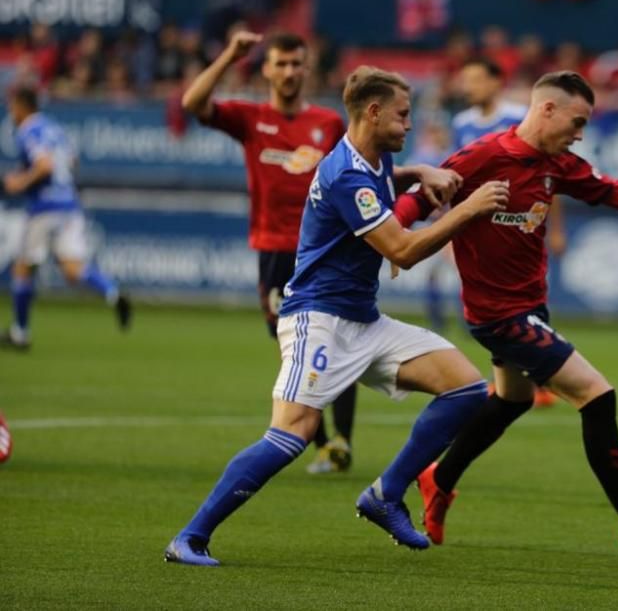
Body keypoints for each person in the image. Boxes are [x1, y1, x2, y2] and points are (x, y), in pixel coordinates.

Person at [164, 66, 510, 566]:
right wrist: (469, 209)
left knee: (466, 388)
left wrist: (419, 172)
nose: (409, 125)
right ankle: (190, 538)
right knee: (291, 435)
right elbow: (403, 251)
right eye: (402, 115)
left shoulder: (371, 159)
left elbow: (386, 183)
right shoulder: (348, 174)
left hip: (363, 321)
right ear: (373, 112)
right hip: (317, 319)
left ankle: (386, 494)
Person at [394, 71, 618, 562]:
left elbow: (612, 191)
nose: (581, 133)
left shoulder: (558, 164)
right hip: (497, 315)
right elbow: (416, 202)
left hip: (529, 307)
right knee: (596, 394)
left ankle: (438, 478)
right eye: (577, 121)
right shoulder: (481, 157)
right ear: (547, 109)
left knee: (512, 400)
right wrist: (392, 239)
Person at [181, 30, 354, 474]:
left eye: (297, 64)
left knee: (340, 337)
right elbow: (192, 104)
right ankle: (322, 442)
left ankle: (340, 441)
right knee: (293, 347)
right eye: (281, 64)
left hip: (326, 248)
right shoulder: (250, 118)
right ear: (267, 68)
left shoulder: (329, 123)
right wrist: (229, 54)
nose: (290, 72)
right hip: (275, 250)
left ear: (307, 68)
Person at [454, 56, 566, 407]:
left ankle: (542, 376)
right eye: (465, 80)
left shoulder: (520, 117)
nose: (468, 87)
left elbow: (549, 178)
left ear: (495, 82)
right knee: (487, 302)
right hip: (480, 227)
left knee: (525, 295)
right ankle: (514, 378)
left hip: (519, 223)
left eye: (475, 79)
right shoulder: (461, 123)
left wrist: (557, 227)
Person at [1, 85, 130, 350]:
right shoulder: (54, 128)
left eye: (12, 106)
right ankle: (112, 292)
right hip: (68, 204)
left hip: (44, 208)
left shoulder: (28, 130)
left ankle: (20, 332)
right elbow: (72, 162)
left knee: (23, 269)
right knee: (73, 268)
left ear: (23, 106)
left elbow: (45, 165)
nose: (11, 112)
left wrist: (21, 182)